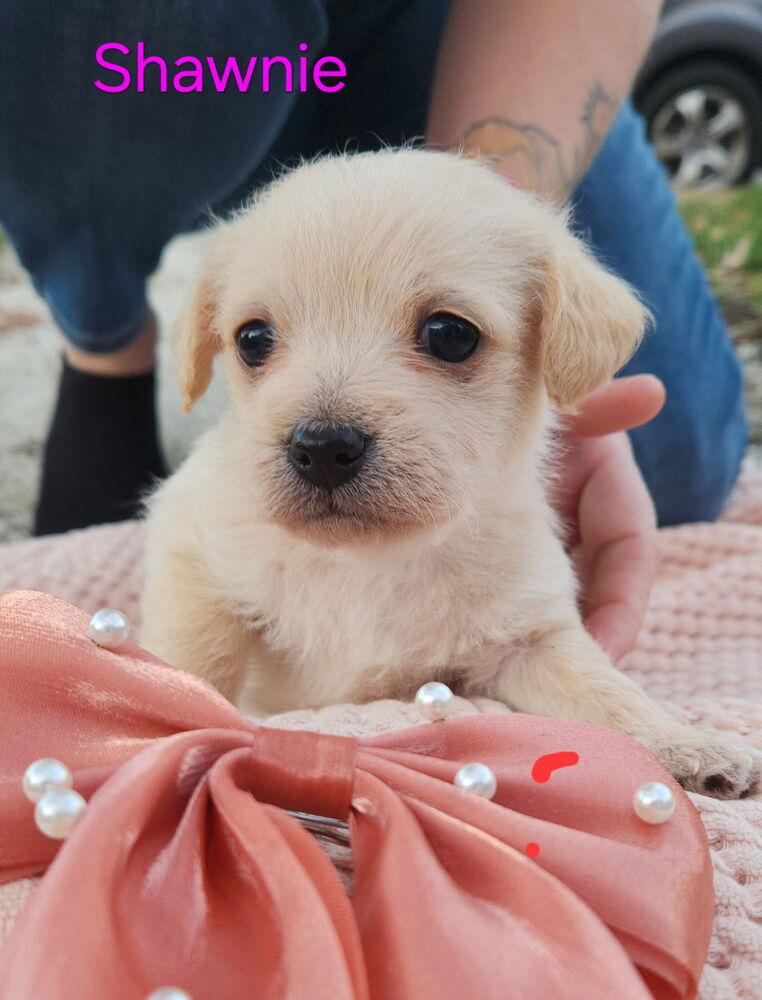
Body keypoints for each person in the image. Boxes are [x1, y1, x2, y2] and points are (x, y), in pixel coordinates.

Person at [0, 1, 747, 663]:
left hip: (448, 26)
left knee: (669, 459)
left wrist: (488, 233)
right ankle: (101, 322)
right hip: (190, 61)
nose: (324, 429)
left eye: (448, 336)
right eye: (258, 342)